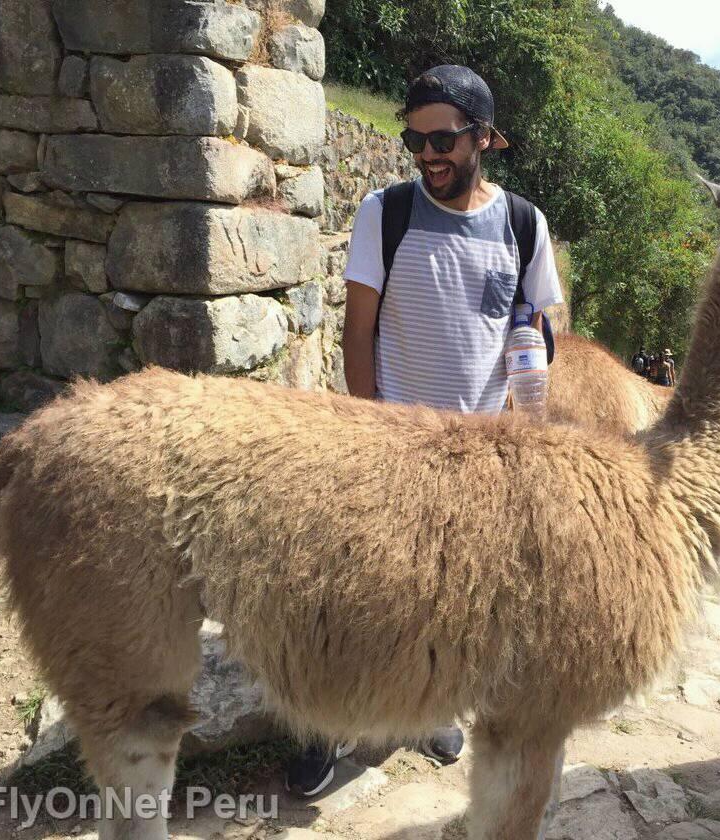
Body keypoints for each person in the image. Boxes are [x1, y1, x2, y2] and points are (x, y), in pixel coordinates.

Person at [284, 64, 564, 797]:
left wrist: (524, 425)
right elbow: (358, 331)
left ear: (484, 138)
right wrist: (368, 433)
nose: (428, 155)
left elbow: (537, 329)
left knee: (455, 600)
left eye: (443, 140)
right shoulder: (386, 212)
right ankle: (321, 726)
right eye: (415, 140)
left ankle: (429, 711)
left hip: (479, 463)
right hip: (391, 447)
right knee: (353, 599)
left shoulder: (524, 225)